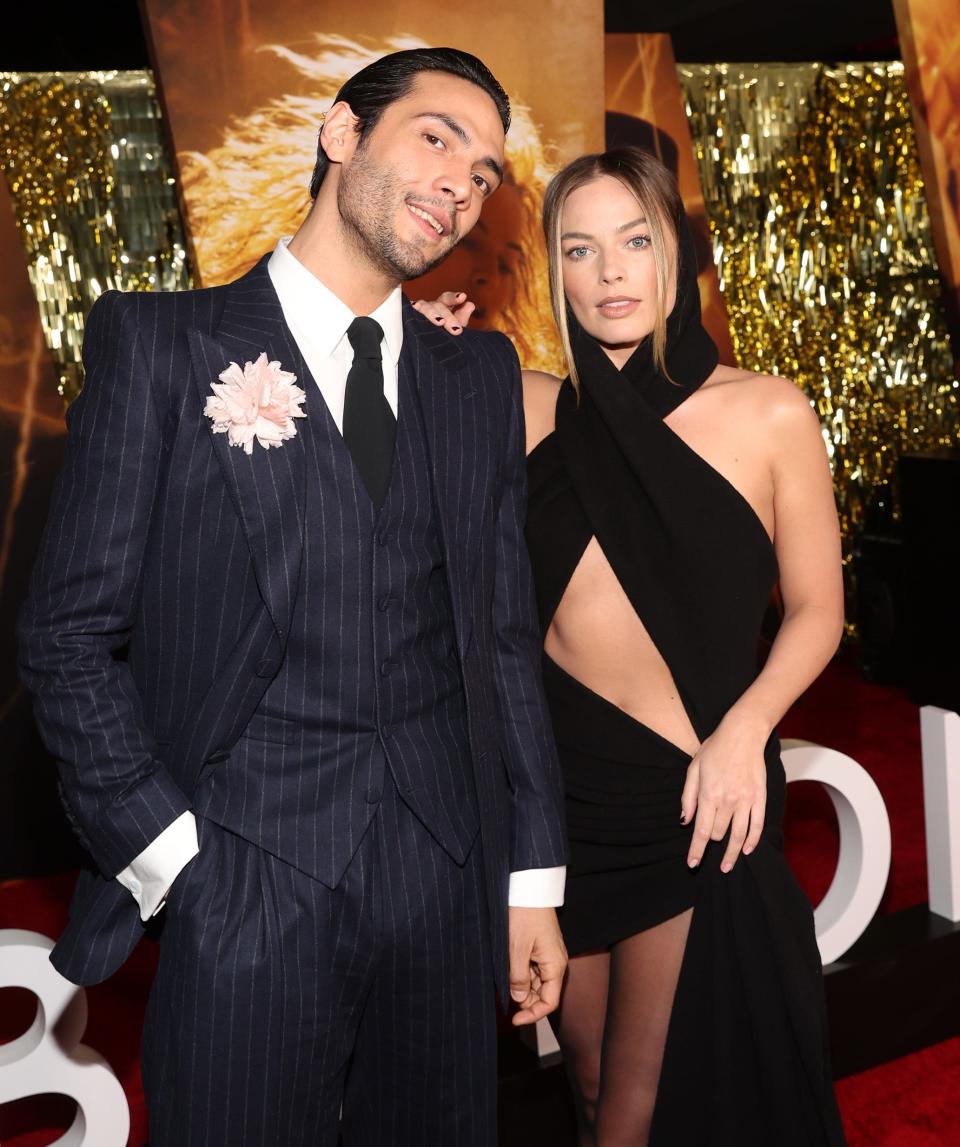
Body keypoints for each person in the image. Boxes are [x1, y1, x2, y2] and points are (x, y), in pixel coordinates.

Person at [17, 47, 569, 1147]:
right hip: (243, 876)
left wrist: (530, 877)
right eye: (435, 137)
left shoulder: (475, 381)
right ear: (339, 134)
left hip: (440, 872)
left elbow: (503, 640)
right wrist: (173, 859)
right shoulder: (166, 348)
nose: (461, 182)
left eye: (484, 171)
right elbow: (66, 635)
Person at [416, 146, 847, 1146]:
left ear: (675, 255)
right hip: (564, 805)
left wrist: (745, 731)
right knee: (592, 1067)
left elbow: (820, 609)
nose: (610, 273)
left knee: (637, 1100)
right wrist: (414, 341)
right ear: (553, 271)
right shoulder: (521, 406)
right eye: (580, 248)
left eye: (634, 242)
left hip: (694, 789)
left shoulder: (769, 410)